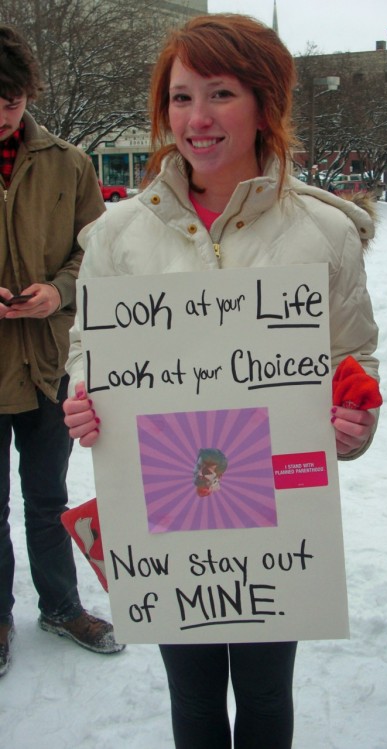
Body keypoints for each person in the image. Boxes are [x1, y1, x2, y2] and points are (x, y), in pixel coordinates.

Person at [63, 14, 380, 748]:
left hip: (277, 505)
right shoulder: (118, 235)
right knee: (194, 696)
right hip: (167, 501)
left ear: (265, 105)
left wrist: (355, 413)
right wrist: (83, 395)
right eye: (180, 98)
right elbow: (90, 346)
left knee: (268, 694)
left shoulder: (323, 234)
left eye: (220, 93)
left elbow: (352, 355)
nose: (197, 119)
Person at [0, 24, 125, 678]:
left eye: (13, 99)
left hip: (49, 364)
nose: (2, 113)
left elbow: (96, 254)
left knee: (48, 496)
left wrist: (59, 290)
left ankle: (61, 604)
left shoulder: (70, 163)